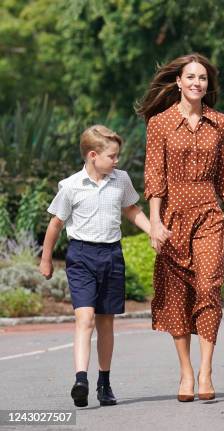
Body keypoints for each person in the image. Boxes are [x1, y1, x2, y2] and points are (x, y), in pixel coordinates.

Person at [137, 53, 224, 402]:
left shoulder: (221, 123)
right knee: (177, 294)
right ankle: (185, 372)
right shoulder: (160, 124)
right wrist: (154, 222)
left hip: (209, 213)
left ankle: (206, 370)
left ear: (207, 85)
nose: (197, 83)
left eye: (203, 78)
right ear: (179, 82)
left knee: (209, 284)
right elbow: (154, 176)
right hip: (171, 217)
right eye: (191, 77)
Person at [39, 125, 151, 407]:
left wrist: (153, 230)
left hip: (112, 255)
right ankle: (81, 380)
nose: (117, 161)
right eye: (112, 156)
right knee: (84, 319)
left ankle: (104, 381)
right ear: (92, 155)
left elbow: (131, 210)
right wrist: (46, 257)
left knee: (105, 322)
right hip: (81, 257)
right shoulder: (71, 186)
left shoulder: (121, 179)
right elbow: (56, 223)